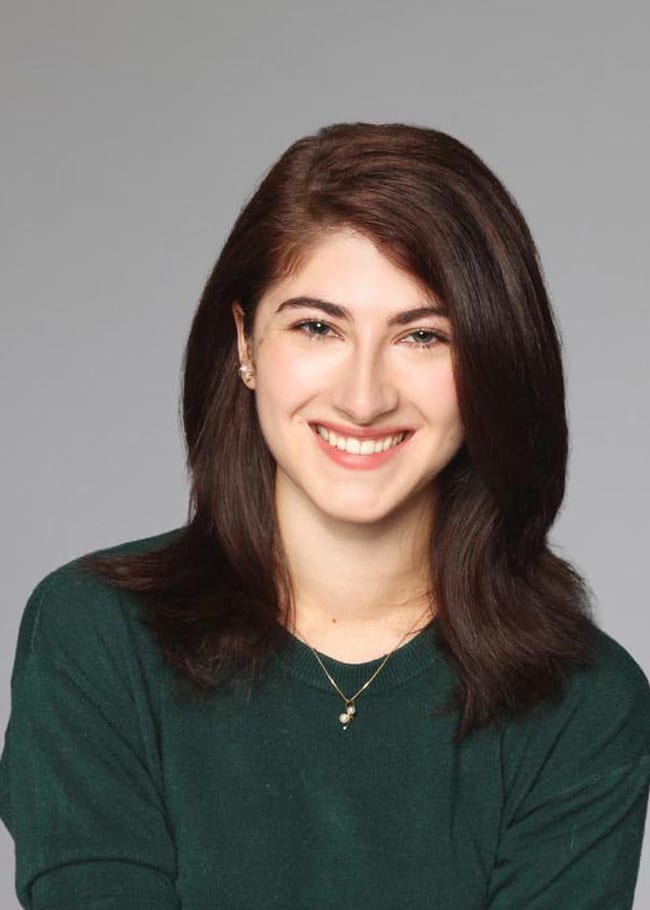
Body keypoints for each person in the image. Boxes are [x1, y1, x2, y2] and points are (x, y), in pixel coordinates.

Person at [1, 121, 649, 910]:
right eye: (317, 326)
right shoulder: (95, 637)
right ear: (245, 342)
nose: (364, 396)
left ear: (492, 361)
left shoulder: (586, 704)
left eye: (423, 335)